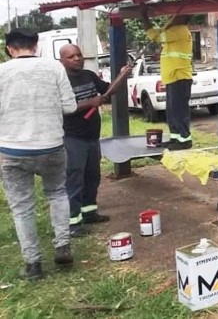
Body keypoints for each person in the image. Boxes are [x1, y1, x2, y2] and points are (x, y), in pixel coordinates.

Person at [0, 28, 77, 280]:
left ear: (10, 48)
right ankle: (62, 246)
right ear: (36, 45)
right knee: (57, 193)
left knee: (22, 207)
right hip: (51, 145)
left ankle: (33, 265)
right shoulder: (54, 68)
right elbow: (70, 106)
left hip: (12, 149)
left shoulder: (1, 72)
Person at [59, 44, 132, 237]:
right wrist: (90, 103)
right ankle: (73, 224)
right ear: (62, 61)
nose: (76, 58)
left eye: (79, 54)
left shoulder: (89, 75)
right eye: (71, 56)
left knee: (92, 177)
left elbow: (108, 91)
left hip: (92, 137)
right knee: (74, 180)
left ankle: (89, 213)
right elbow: (64, 108)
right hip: (73, 138)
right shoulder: (61, 81)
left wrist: (122, 75)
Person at [140, 6, 193, 150]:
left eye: (175, 15)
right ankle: (175, 138)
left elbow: (155, 36)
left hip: (179, 77)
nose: (172, 18)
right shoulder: (175, 31)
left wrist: (145, 18)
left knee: (179, 111)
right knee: (171, 111)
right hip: (172, 78)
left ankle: (185, 139)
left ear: (183, 18)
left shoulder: (180, 30)